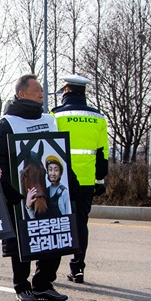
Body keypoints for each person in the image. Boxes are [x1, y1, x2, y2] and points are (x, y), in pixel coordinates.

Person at [0, 74, 70, 301]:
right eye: (36, 90)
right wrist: (9, 191)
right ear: (21, 94)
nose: (41, 94)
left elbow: (61, 154)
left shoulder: (50, 120)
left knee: (52, 236)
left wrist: (70, 182)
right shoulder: (7, 123)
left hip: (50, 191)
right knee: (21, 241)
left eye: (42, 90)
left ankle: (43, 284)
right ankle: (22, 286)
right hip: (20, 196)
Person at [51, 74, 109, 284]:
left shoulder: (54, 115)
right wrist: (100, 180)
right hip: (85, 181)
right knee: (81, 224)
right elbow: (102, 155)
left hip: (59, 179)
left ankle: (49, 272)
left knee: (57, 223)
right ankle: (77, 269)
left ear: (66, 91)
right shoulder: (98, 118)